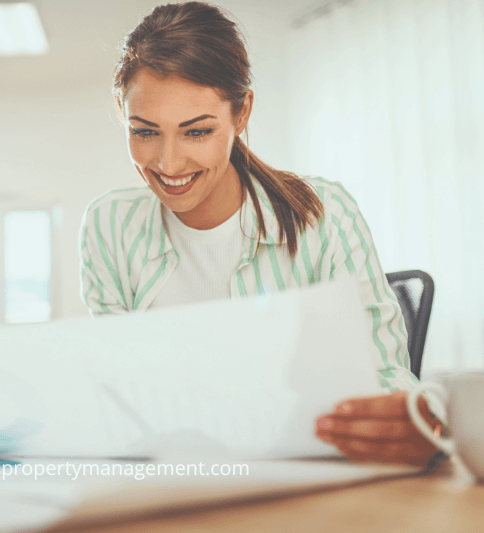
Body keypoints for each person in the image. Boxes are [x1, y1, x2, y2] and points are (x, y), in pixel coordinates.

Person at [78, 1, 442, 466]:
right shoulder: (108, 225)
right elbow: (118, 392)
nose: (168, 165)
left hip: (303, 484)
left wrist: (412, 421)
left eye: (196, 132)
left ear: (242, 112)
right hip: (172, 486)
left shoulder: (325, 214)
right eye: (145, 132)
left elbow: (387, 378)